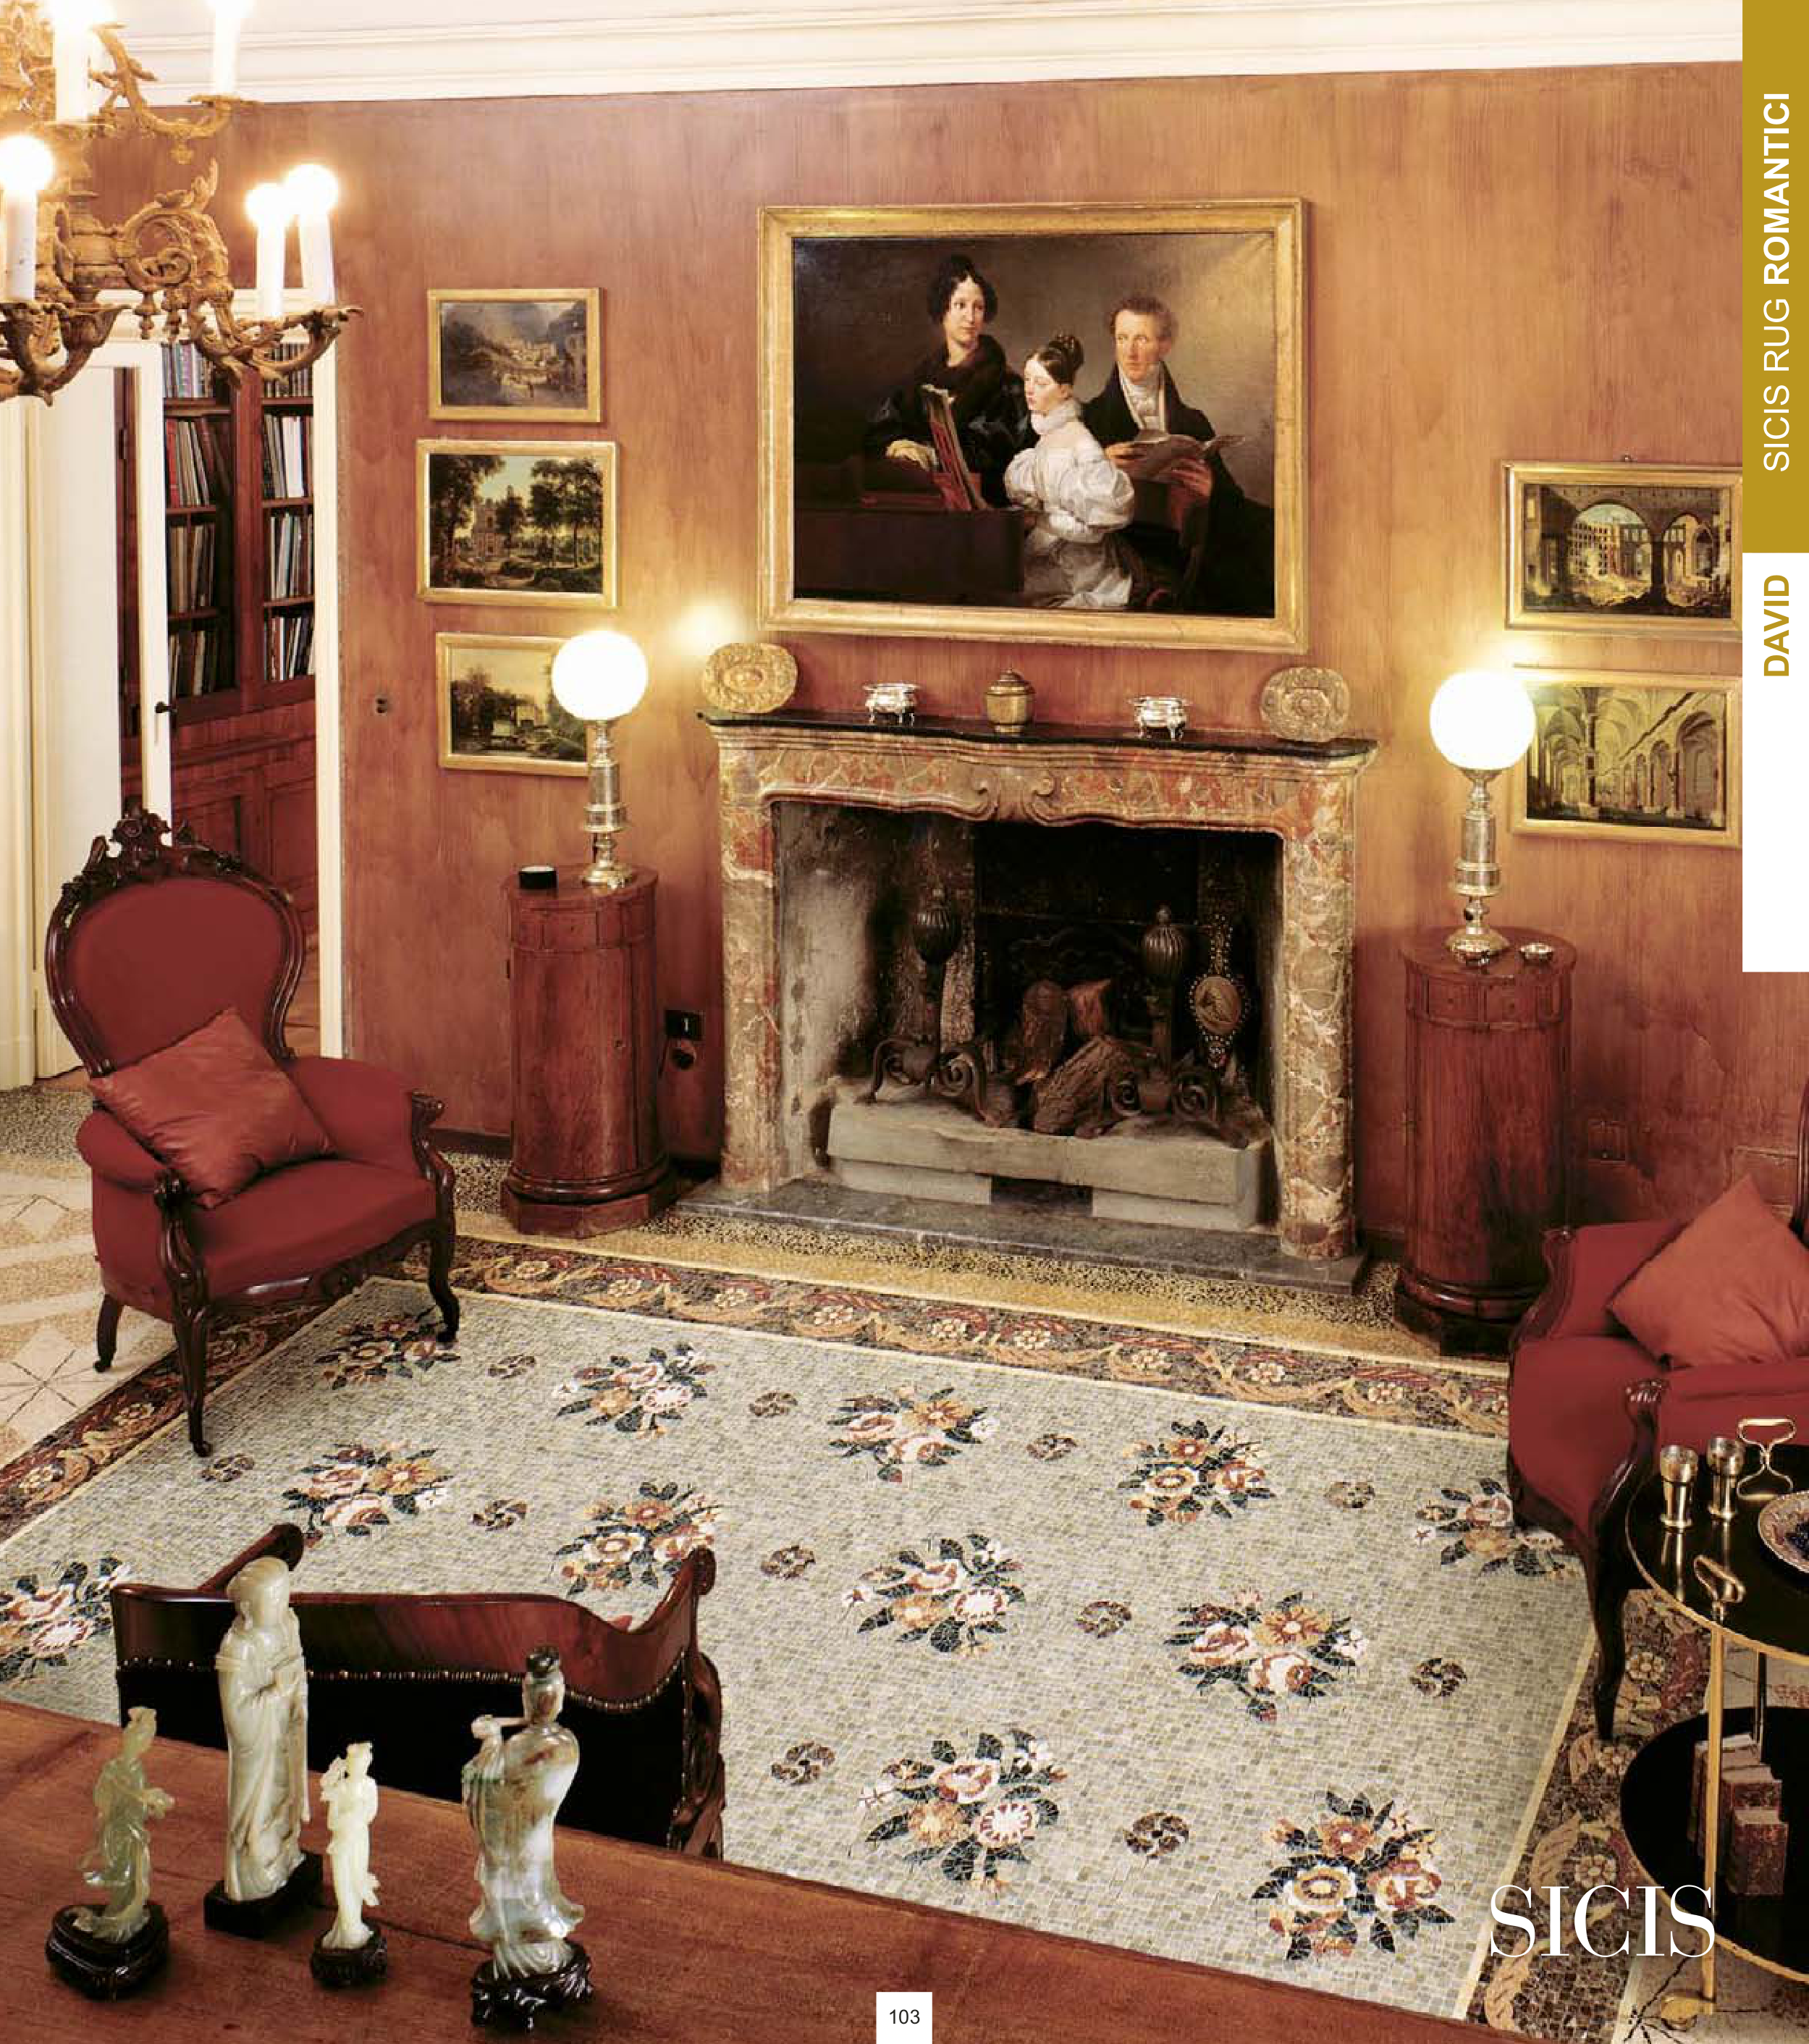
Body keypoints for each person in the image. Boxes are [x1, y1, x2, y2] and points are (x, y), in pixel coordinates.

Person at [1081, 293, 1275, 615]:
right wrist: (1100, 464)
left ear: (1165, 345)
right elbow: (1059, 491)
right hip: (1123, 545)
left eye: (1141, 339)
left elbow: (1231, 500)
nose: (1130, 351)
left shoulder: (1193, 422)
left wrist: (1211, 490)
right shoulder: (1091, 417)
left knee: (1271, 533)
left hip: (1184, 543)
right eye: (1122, 338)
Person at [861, 253, 1029, 505]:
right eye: (961, 305)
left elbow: (997, 454)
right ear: (943, 310)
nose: (970, 317)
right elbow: (880, 430)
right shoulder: (920, 380)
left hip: (981, 509)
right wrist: (899, 446)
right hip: (920, 501)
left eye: (978, 307)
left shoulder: (1007, 385)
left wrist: (931, 455)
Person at [463, 1647, 584, 1981]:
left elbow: (486, 1785)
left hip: (521, 1836)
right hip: (531, 1838)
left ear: (527, 1700)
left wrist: (491, 1744)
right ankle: (530, 1953)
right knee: (532, 1889)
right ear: (557, 1701)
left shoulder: (528, 1748)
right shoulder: (566, 1743)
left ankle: (530, 1952)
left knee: (528, 1891)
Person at [1002, 332, 1136, 610]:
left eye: (1041, 383)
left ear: (1064, 391)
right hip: (1051, 551)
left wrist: (1044, 522)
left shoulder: (1080, 441)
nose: (1030, 390)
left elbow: (1105, 517)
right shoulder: (1048, 438)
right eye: (1027, 380)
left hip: (1081, 567)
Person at [217, 1555, 309, 1904]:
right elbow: (237, 1716)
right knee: (259, 1802)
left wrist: (295, 1694)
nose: (282, 1605)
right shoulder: (238, 1646)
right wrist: (276, 1694)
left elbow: (297, 1667)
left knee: (287, 1790)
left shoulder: (288, 1624)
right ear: (248, 1608)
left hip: (286, 1729)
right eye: (274, 1600)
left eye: (285, 1596)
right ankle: (256, 1868)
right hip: (258, 1742)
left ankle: (286, 1849)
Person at [73, 1707, 173, 1943]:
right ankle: (116, 1921)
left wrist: (148, 1805)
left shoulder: (137, 1770)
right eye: (142, 1738)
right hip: (120, 1832)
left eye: (146, 1739)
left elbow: (138, 1802)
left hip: (133, 1831)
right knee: (124, 1876)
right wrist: (139, 1799)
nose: (144, 1744)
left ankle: (125, 1919)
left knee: (137, 1882)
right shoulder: (113, 1770)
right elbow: (103, 1799)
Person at [320, 1742, 381, 1953]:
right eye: (355, 1764)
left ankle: (354, 1928)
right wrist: (352, 1815)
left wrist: (355, 1816)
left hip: (359, 1840)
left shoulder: (370, 1785)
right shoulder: (340, 1788)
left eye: (363, 1764)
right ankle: (350, 1931)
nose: (359, 1768)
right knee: (343, 1885)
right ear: (349, 1765)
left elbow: (370, 1813)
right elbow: (332, 1822)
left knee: (357, 1881)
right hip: (341, 1844)